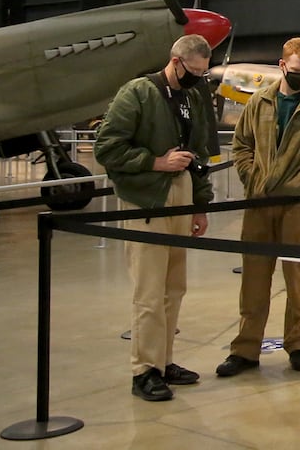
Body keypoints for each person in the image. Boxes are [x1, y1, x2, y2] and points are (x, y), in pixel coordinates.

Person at [94, 34, 216, 403]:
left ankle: (163, 361)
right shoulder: (138, 93)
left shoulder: (193, 96)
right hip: (147, 199)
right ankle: (143, 370)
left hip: (181, 195)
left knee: (174, 287)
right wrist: (155, 162)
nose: (198, 77)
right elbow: (107, 147)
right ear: (175, 61)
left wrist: (200, 203)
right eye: (193, 71)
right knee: (148, 291)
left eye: (203, 72)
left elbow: (199, 154)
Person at [217, 37, 300, 379]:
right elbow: (241, 145)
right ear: (282, 65)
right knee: (254, 278)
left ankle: (298, 344)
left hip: (298, 205)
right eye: (296, 70)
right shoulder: (260, 102)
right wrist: (252, 177)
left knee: (297, 276)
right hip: (258, 202)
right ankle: (245, 349)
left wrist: (298, 185)